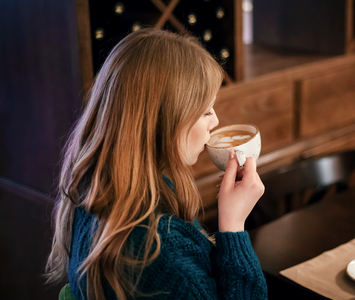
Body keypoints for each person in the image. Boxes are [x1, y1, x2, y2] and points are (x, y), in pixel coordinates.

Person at [45, 28, 267, 300]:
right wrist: (233, 224)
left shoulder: (98, 189)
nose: (216, 121)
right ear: (163, 122)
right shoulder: (159, 251)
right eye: (206, 111)